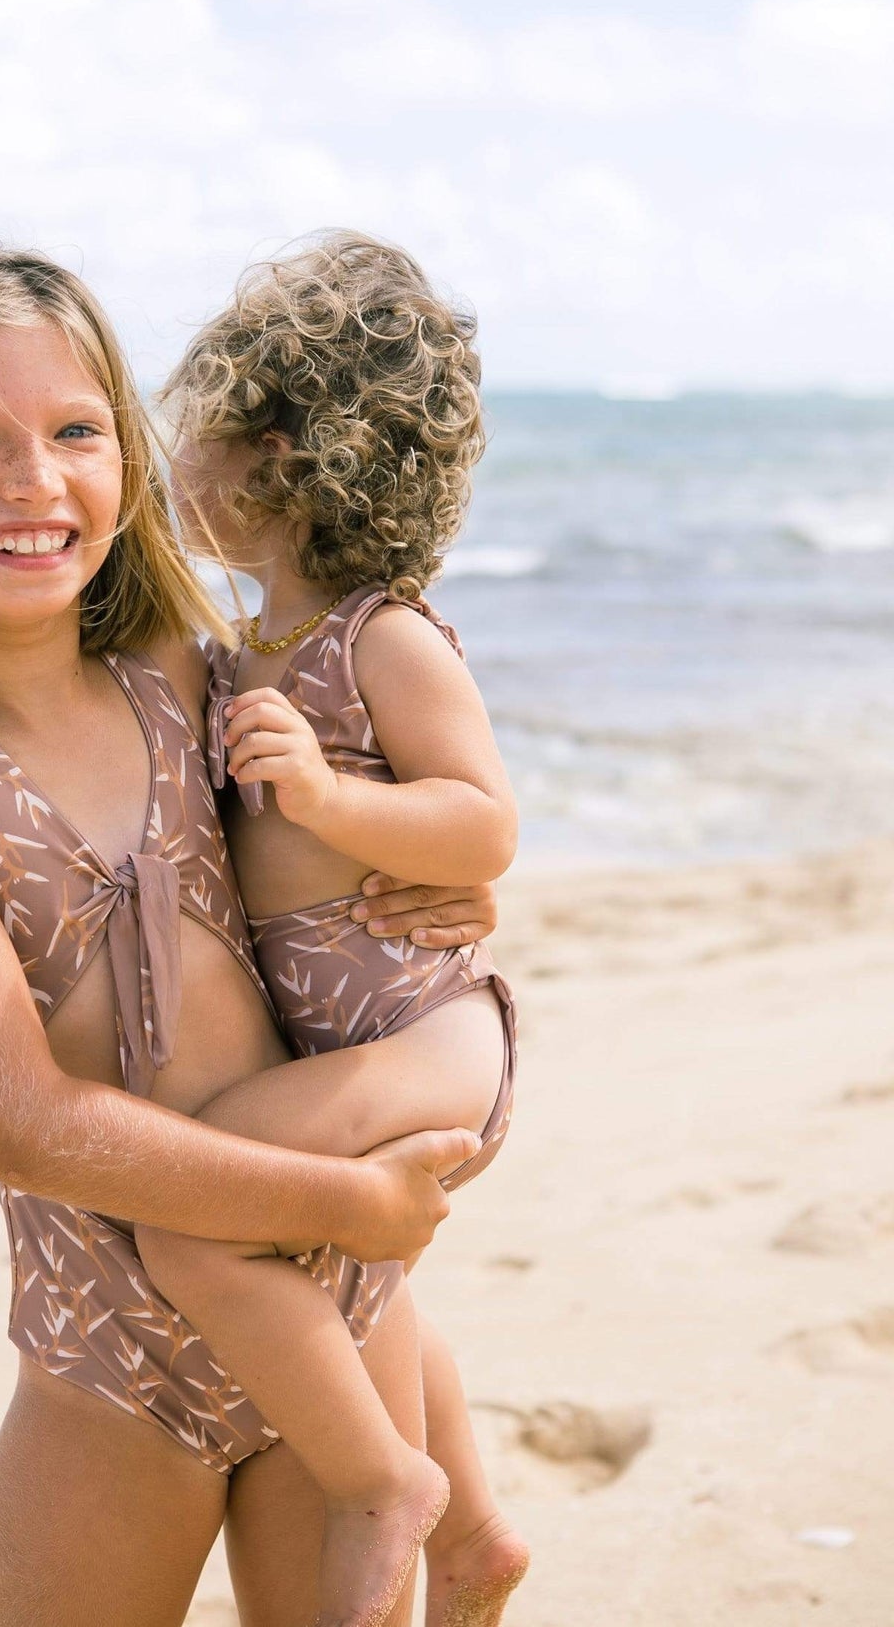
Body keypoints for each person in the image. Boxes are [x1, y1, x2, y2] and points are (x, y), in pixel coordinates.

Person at [0, 236, 500, 1627]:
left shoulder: (187, 665)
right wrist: (347, 1202)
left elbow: (363, 831)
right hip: (110, 1364)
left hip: (326, 1328)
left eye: (77, 431)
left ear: (132, 456)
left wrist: (448, 889)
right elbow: (22, 1123)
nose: (33, 480)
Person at [146, 231, 531, 1627]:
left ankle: (387, 1484)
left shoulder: (381, 638)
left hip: (430, 1036)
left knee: (189, 1218)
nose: (172, 458)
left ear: (295, 456)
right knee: (356, 1274)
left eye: (201, 432)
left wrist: (320, 794)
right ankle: (478, 1532)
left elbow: (483, 824)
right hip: (359, 1032)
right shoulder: (233, 649)